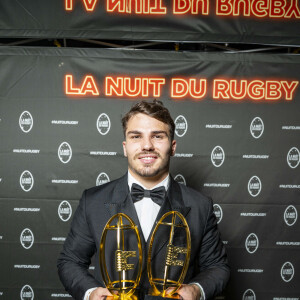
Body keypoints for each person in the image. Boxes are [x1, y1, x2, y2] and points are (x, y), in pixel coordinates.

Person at [57, 100, 230, 300]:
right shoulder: (93, 201)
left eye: (157, 136)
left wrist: (196, 290)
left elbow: (218, 267)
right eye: (136, 136)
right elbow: (70, 261)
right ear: (125, 147)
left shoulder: (201, 206)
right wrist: (90, 293)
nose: (147, 145)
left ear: (172, 147)